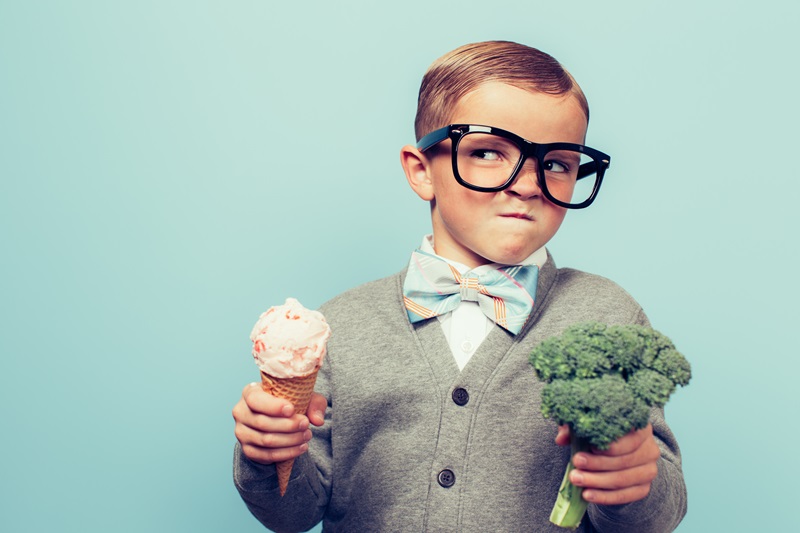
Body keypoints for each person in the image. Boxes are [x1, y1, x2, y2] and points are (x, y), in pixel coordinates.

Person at [232, 41, 687, 532]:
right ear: (421, 170)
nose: (529, 184)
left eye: (556, 163)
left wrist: (634, 480)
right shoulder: (339, 326)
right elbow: (292, 514)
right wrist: (265, 455)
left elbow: (655, 517)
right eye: (489, 152)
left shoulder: (606, 316)